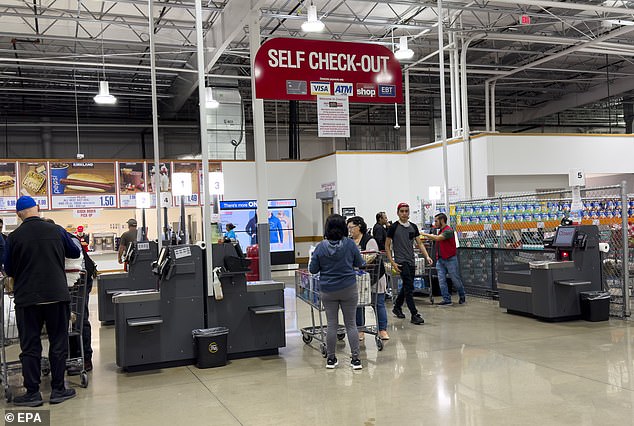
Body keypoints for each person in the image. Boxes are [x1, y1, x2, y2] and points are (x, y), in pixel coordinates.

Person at [4, 196, 81, 406]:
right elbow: (75, 251)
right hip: (56, 295)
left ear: (19, 214)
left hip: (27, 299)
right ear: (37, 208)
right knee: (58, 342)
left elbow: (9, 269)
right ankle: (58, 390)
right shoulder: (56, 230)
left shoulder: (14, 237)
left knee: (30, 345)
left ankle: (32, 393)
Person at [309, 214, 365, 370]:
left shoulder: (321, 247)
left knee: (332, 325)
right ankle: (356, 360)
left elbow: (313, 269)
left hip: (328, 290)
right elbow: (360, 263)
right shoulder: (350, 244)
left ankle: (331, 359)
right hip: (348, 288)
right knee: (351, 324)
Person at [385, 202, 433, 325]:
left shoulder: (413, 227)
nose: (404, 213)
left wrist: (427, 256)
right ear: (398, 213)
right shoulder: (393, 227)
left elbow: (419, 243)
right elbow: (387, 246)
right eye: (402, 211)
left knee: (407, 286)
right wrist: (392, 262)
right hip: (401, 262)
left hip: (411, 261)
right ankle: (414, 314)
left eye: (406, 211)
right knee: (409, 287)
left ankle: (397, 307)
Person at [347, 216, 389, 341]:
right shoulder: (349, 241)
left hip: (375, 276)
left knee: (378, 303)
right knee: (358, 305)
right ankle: (360, 329)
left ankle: (382, 329)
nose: (350, 230)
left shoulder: (369, 240)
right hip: (359, 279)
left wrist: (357, 261)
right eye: (348, 228)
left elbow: (370, 257)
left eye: (351, 227)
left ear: (359, 226)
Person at [421, 213, 466, 306]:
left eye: (436, 221)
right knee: (441, 280)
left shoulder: (448, 231)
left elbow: (438, 238)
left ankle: (462, 295)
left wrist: (423, 233)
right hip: (441, 260)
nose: (435, 223)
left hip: (450, 259)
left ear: (442, 220)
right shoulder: (440, 230)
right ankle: (446, 299)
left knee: (455, 280)